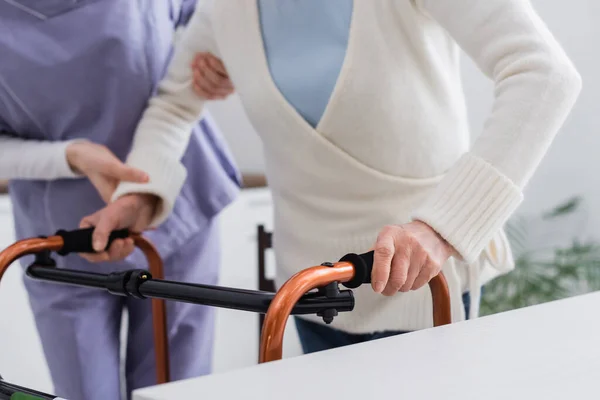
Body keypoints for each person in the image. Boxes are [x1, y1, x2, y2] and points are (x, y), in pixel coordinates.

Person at [83, 0, 581, 354]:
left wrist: (443, 227)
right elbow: (172, 105)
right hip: (310, 288)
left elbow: (544, 74)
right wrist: (141, 194)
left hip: (421, 279)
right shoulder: (225, 11)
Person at [0, 1, 239, 399]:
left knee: (176, 389)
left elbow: (220, 21)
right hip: (63, 236)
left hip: (174, 207)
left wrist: (223, 66)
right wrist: (69, 156)